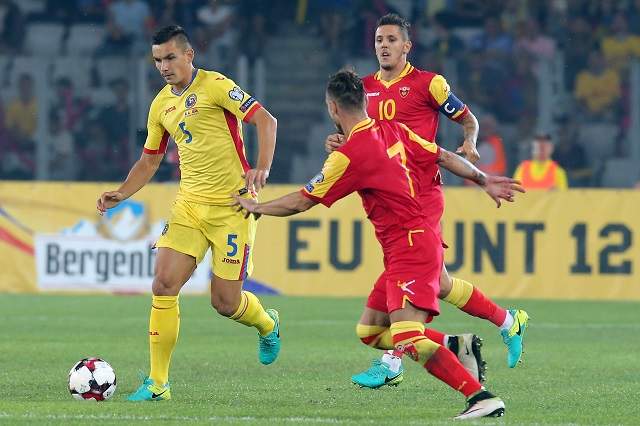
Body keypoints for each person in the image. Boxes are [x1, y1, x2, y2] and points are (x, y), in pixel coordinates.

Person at [235, 70, 523, 419]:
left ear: (332, 108)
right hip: (411, 243)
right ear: (365, 101)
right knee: (371, 331)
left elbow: (302, 200)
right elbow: (444, 156)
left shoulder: (348, 155)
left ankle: (479, 396)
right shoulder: (394, 129)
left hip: (411, 246)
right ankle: (454, 344)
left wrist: (258, 207)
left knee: (407, 338)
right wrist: (483, 179)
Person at [326, 14, 529, 389]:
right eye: (378, 40)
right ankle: (507, 320)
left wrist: (469, 140)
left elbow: (468, 119)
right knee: (438, 281)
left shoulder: (428, 84)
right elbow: (354, 134)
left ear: (406, 46)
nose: (383, 45)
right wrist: (337, 142)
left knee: (408, 273)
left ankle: (393, 359)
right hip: (389, 195)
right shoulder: (363, 88)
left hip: (423, 195)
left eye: (391, 40)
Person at [96, 25, 280, 402]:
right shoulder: (160, 105)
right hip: (188, 207)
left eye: (169, 58)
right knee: (163, 285)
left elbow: (266, 120)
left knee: (225, 303)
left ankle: (267, 323)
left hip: (232, 208)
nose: (163, 66)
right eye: (157, 60)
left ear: (188, 55)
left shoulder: (215, 86)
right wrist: (122, 192)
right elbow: (149, 160)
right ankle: (158, 383)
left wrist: (260, 168)